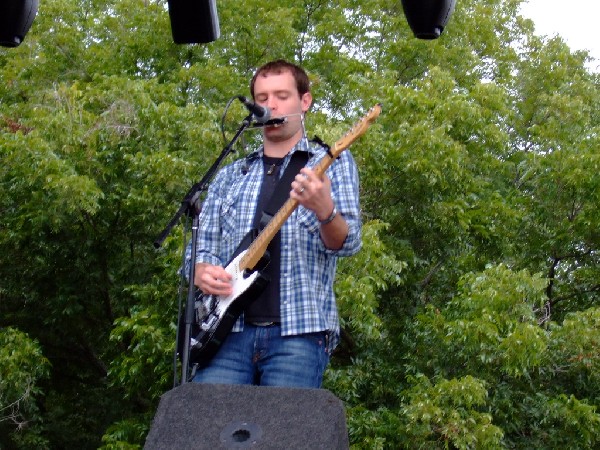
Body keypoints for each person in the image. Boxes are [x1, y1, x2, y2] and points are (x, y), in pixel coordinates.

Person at [188, 59, 361, 388]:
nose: (270, 105)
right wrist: (199, 269)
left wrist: (325, 209)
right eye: (262, 97)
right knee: (208, 429)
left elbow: (348, 243)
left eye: (281, 95)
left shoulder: (330, 163)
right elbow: (202, 245)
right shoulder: (231, 174)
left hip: (298, 333)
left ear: (304, 102)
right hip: (226, 331)